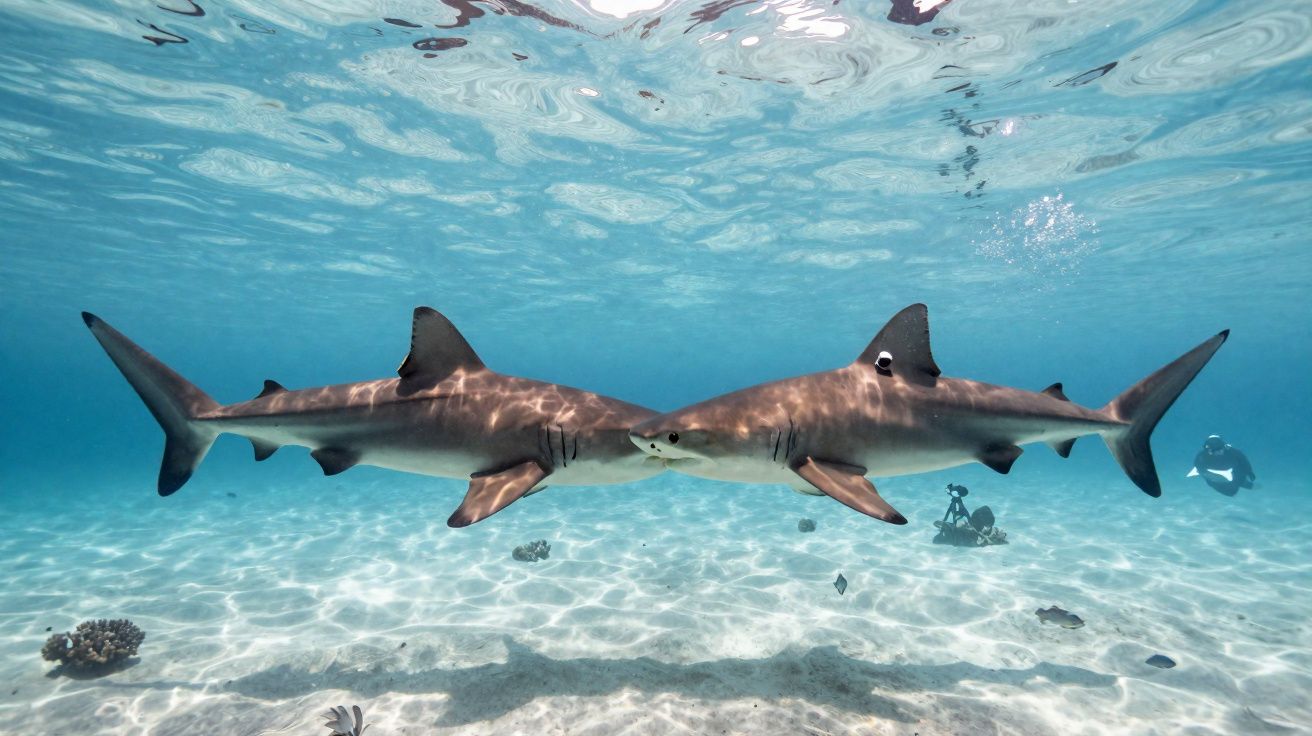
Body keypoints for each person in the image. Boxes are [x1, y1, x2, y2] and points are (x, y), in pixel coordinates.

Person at [1188, 435, 1255, 496]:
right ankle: (1237, 484)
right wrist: (1206, 475)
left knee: (1237, 479)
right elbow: (1198, 466)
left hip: (1232, 470)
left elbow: (1243, 460)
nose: (1218, 453)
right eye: (1214, 451)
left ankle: (1242, 483)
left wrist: (1249, 472)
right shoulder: (1202, 456)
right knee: (1230, 492)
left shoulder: (1232, 452)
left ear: (1224, 447)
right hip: (1215, 476)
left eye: (1220, 450)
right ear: (1209, 450)